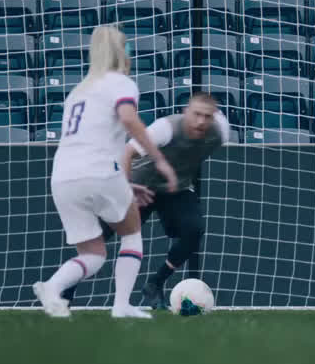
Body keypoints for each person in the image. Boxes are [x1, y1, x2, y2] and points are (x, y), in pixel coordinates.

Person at [33, 25, 176, 320]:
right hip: (98, 171)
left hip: (63, 178)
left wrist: (122, 184)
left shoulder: (78, 92)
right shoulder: (121, 83)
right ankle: (121, 306)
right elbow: (129, 119)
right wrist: (158, 158)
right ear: (121, 53)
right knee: (132, 233)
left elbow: (92, 139)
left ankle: (52, 286)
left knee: (93, 253)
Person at [61, 93, 230, 310]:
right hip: (140, 185)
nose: (200, 121)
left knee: (194, 230)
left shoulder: (220, 131)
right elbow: (127, 152)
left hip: (175, 188)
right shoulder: (165, 129)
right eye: (196, 114)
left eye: (206, 116)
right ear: (185, 112)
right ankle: (66, 291)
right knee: (99, 240)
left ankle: (155, 284)